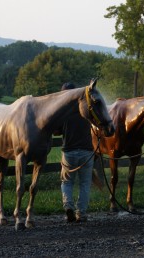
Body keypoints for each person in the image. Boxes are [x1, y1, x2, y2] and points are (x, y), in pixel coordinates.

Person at [56, 82, 94, 223]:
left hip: (69, 152)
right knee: (85, 183)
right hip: (87, 152)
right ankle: (81, 214)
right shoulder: (85, 110)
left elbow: (56, 130)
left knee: (67, 182)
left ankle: (68, 207)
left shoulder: (63, 113)